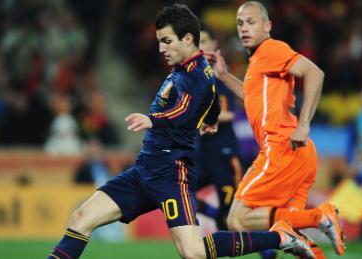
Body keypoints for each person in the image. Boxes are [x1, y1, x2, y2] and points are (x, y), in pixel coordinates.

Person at [47, 4, 315, 259]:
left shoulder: (197, 73)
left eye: (167, 41)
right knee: (81, 218)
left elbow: (184, 108)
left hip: (172, 173)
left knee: (193, 252)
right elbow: (206, 102)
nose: (161, 48)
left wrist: (153, 120)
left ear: (188, 38)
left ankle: (280, 238)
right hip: (144, 170)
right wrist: (210, 119)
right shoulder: (185, 70)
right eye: (159, 41)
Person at [204, 1, 344, 256]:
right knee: (291, 232)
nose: (244, 28)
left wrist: (304, 124)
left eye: (251, 21)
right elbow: (252, 98)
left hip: (281, 146)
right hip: (300, 154)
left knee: (238, 219)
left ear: (268, 25)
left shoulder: (270, 49)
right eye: (240, 23)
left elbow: (315, 74)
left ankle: (319, 217)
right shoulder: (259, 60)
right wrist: (224, 76)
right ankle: (314, 226)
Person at [195, 24, 243, 231]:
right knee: (177, 192)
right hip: (201, 154)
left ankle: (268, 252)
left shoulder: (220, 76)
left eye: (204, 42)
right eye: (196, 44)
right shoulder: (193, 75)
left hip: (224, 153)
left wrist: (196, 117)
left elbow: (229, 113)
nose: (200, 48)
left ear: (214, 44)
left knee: (232, 218)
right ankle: (214, 214)